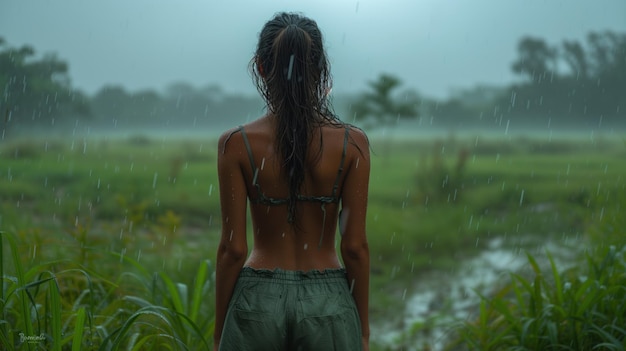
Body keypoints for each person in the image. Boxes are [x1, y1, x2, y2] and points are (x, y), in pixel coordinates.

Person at [214, 12, 370, 351]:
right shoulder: (352, 143)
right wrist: (363, 331)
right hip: (327, 302)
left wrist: (219, 333)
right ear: (320, 67)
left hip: (258, 301)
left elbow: (232, 250)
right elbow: (354, 247)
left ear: (260, 67)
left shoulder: (236, 144)